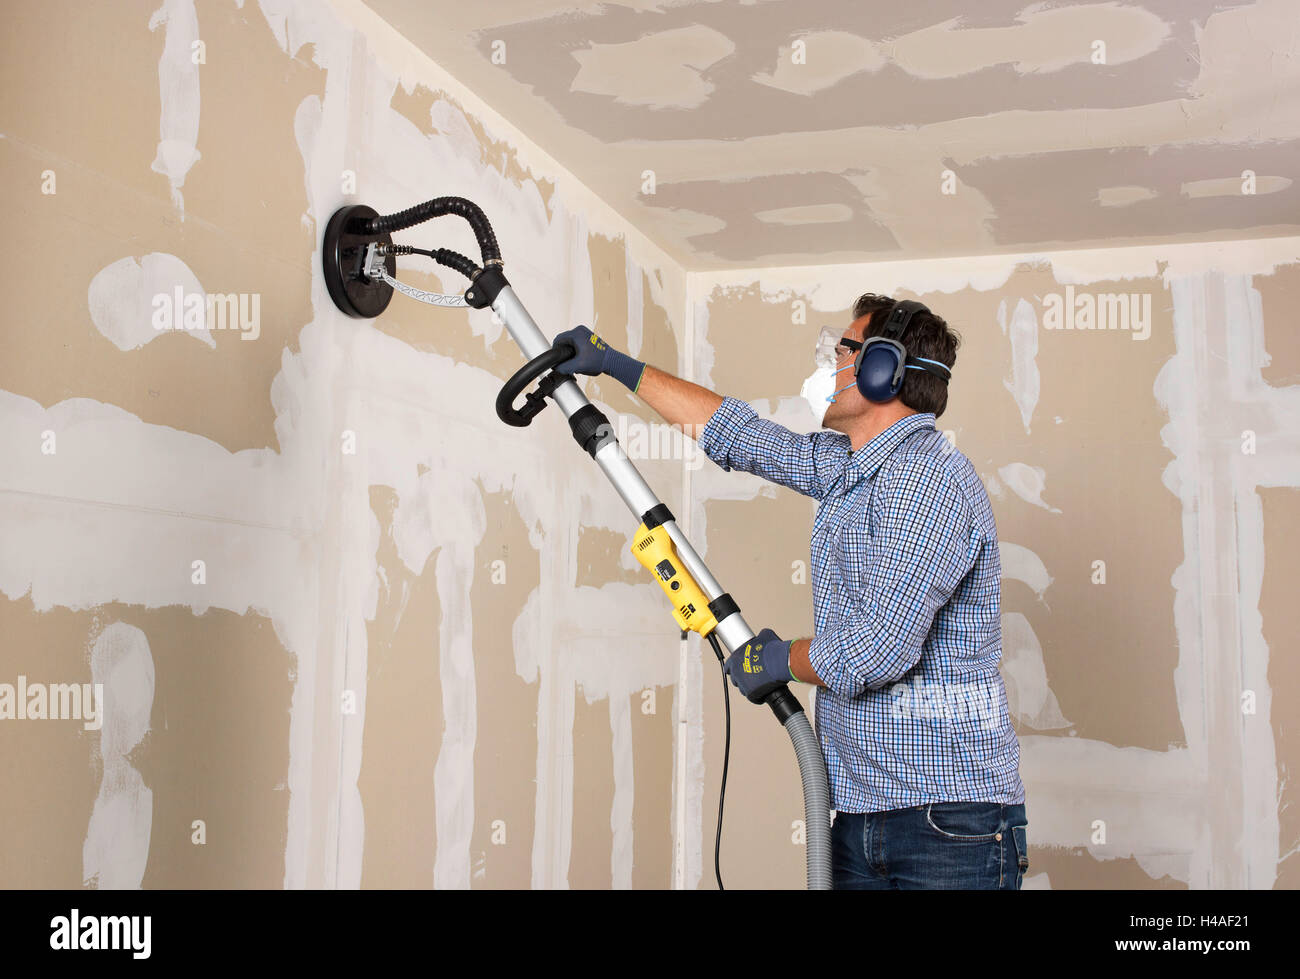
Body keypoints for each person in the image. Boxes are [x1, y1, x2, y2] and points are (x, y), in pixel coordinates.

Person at [551, 293, 1027, 890]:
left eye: (844, 350)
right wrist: (615, 365)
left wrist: (779, 659)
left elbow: (879, 650)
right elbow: (741, 437)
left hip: (946, 826)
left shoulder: (925, 478)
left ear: (885, 370)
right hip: (861, 814)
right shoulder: (850, 466)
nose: (831, 363)